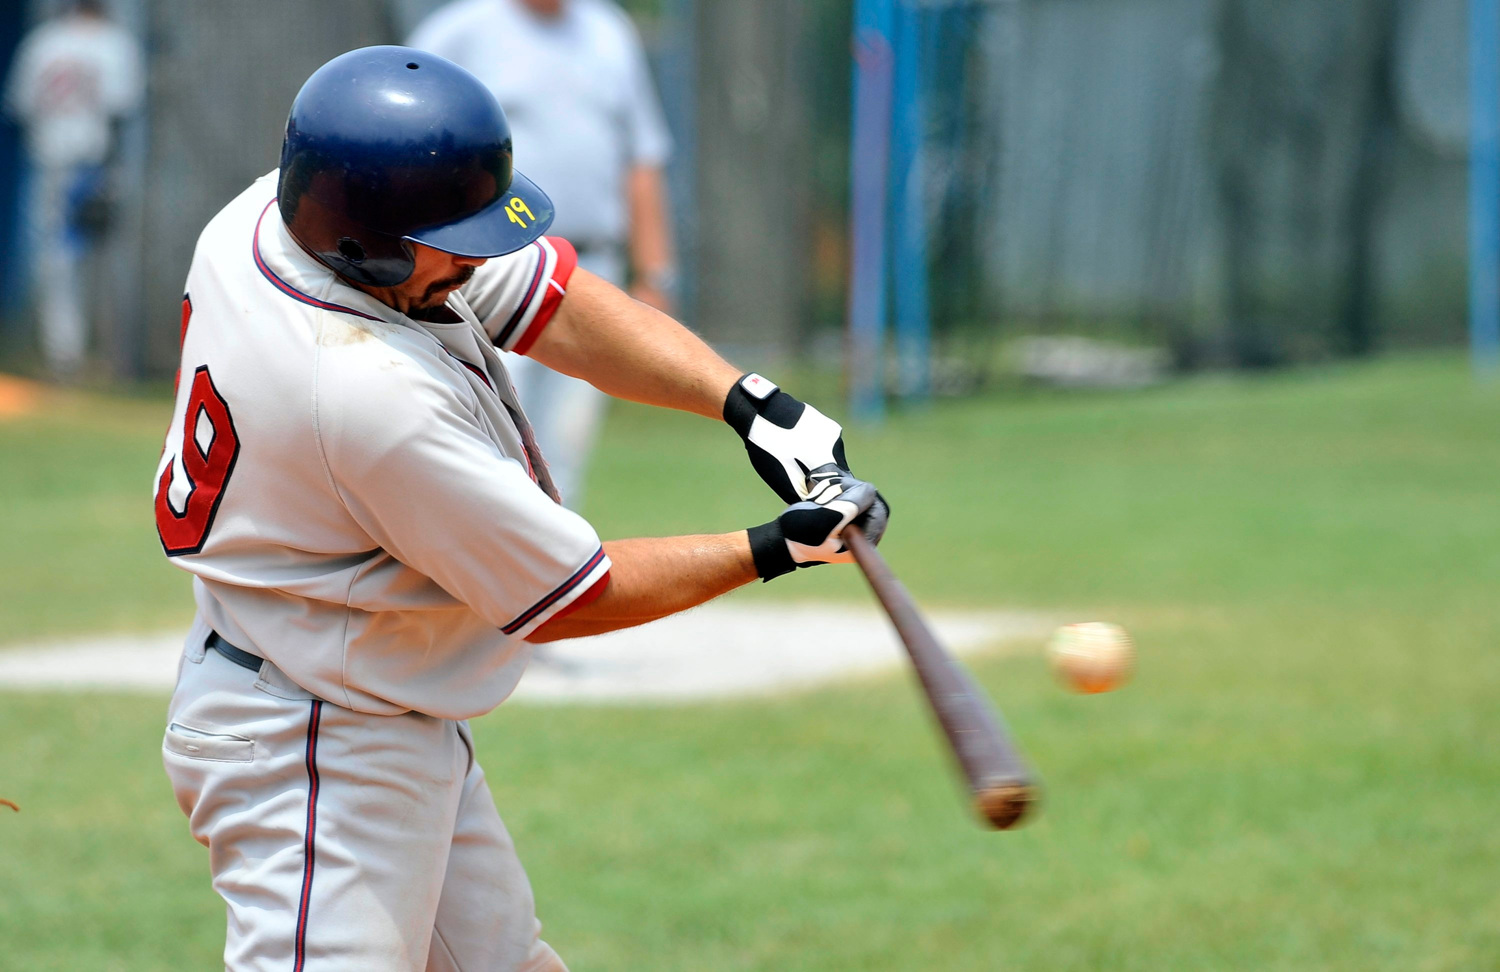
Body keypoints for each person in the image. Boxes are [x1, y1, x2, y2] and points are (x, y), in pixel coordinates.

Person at [154, 47, 887, 971]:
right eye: (452, 241)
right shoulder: (361, 395)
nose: (474, 257)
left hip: (359, 696)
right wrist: (776, 548)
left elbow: (553, 303)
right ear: (362, 239)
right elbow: (570, 595)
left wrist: (748, 403)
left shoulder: (278, 214)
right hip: (312, 747)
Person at [408, 0, 678, 508]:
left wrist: (655, 275)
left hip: (593, 261)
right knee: (486, 439)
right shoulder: (459, 31)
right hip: (493, 264)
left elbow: (643, 157)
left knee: (562, 450)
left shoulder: (609, 31)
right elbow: (404, 135)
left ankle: (548, 572)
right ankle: (478, 572)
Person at [4, 0, 142, 378]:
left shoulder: (42, 41)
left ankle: (65, 354)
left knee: (56, 262)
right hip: (96, 165)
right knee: (109, 257)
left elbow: (20, 108)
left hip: (52, 163)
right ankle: (113, 356)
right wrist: (114, 174)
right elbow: (120, 112)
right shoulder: (115, 42)